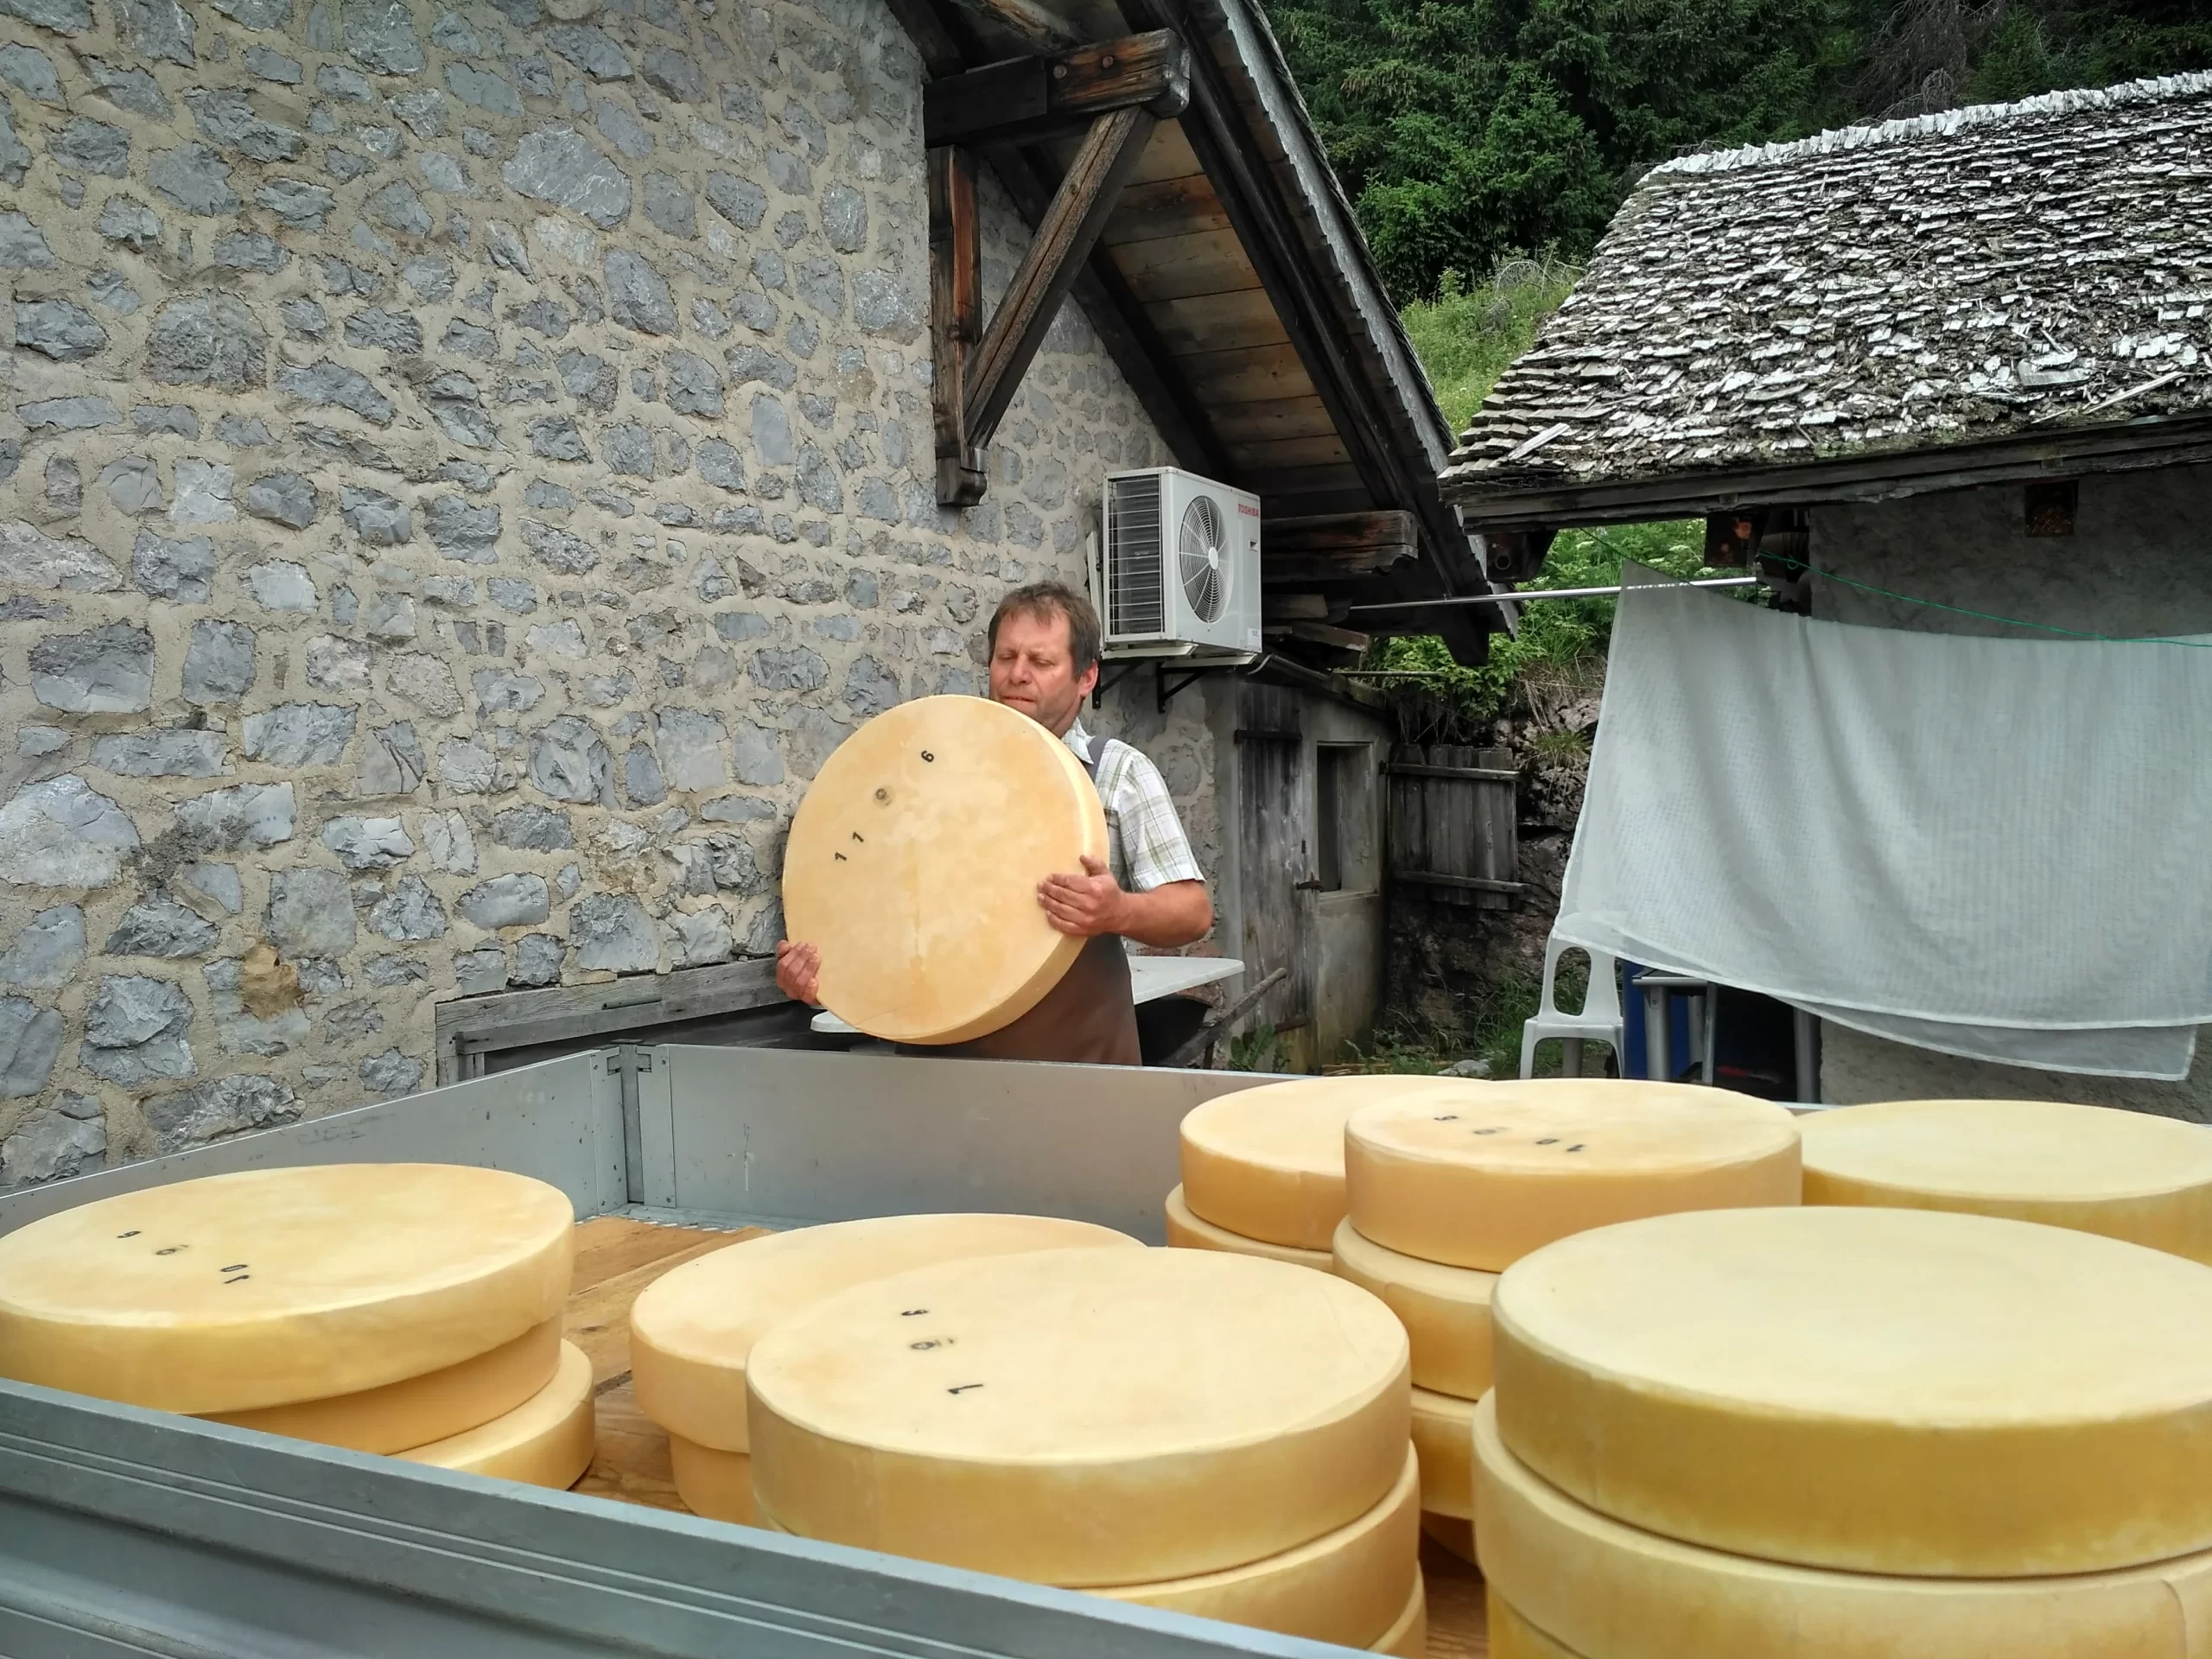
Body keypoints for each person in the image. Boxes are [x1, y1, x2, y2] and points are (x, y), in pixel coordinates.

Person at [777, 581, 1212, 1065]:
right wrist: (820, 975)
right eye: (1006, 658)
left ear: (1087, 677)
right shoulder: (931, 766)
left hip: (1077, 1081)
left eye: (1041, 662)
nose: (1018, 675)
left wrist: (1117, 913)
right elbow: (876, 912)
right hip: (937, 1080)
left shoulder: (1118, 773)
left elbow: (1192, 912)